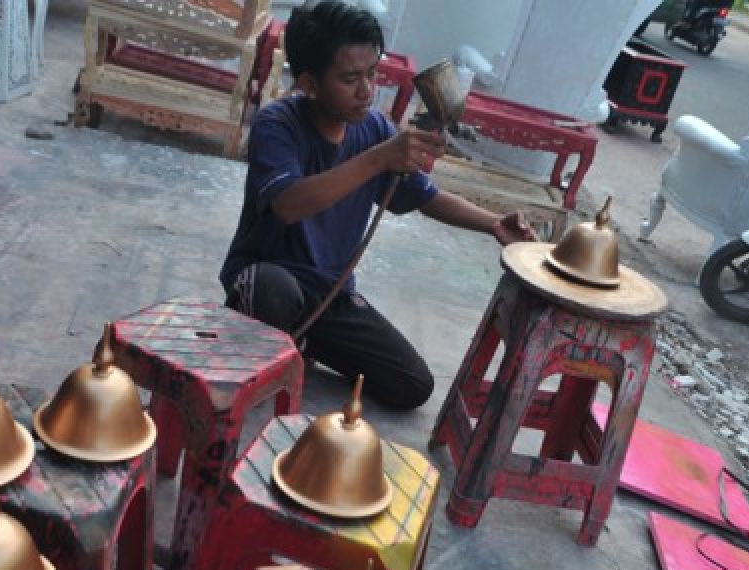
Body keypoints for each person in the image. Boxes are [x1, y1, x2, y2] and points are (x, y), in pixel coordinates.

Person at [220, 1, 536, 411]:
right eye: (350, 79)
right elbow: (288, 204)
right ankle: (259, 334)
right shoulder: (277, 125)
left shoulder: (373, 129)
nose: (367, 90)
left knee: (412, 385)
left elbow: (428, 196)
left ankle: (299, 339)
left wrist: (494, 224)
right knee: (271, 290)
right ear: (309, 84)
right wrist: (379, 158)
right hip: (268, 282)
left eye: (372, 74)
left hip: (329, 294)